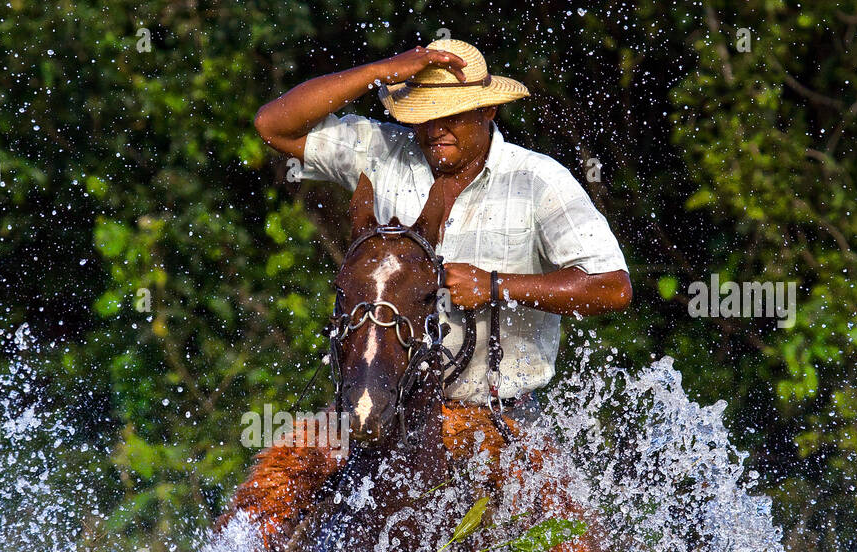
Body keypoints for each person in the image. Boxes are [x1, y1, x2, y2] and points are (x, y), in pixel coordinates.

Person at [253, 38, 632, 416]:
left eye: (453, 115)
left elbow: (613, 287)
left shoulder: (538, 180)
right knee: (286, 474)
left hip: (502, 415)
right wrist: (376, 72)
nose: (436, 128)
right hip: (387, 412)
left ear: (489, 110)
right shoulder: (381, 152)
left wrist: (496, 286)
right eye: (425, 115)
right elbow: (273, 125)